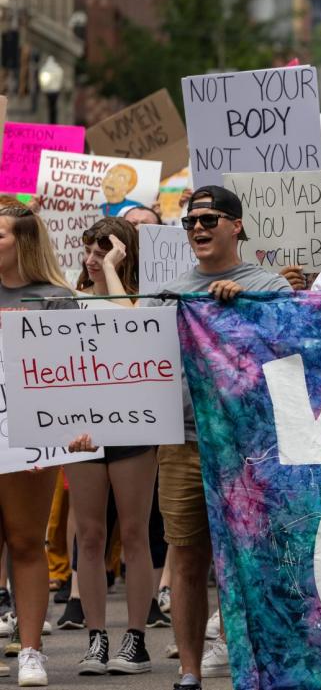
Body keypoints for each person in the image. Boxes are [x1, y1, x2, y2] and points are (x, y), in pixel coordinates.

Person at [149, 185, 292, 690]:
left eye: (210, 220)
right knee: (186, 558)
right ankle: (189, 672)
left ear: (237, 226)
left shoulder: (270, 287)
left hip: (253, 449)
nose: (199, 229)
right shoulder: (165, 294)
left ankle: (250, 667)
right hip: (185, 443)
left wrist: (241, 312)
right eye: (191, 223)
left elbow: (290, 358)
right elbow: (137, 374)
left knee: (254, 558)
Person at [61, 217, 159, 676]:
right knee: (90, 535)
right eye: (91, 250)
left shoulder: (143, 301)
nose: (94, 258)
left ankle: (135, 638)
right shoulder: (71, 302)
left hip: (133, 430)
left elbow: (130, 331)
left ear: (125, 254)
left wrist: (116, 269)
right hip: (82, 432)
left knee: (136, 534)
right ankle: (96, 637)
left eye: (105, 250)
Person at [0, 205, 79, 685]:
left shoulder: (54, 298)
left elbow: (70, 378)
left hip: (26, 436)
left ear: (23, 242)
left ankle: (30, 651)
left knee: (27, 541)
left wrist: (54, 440)